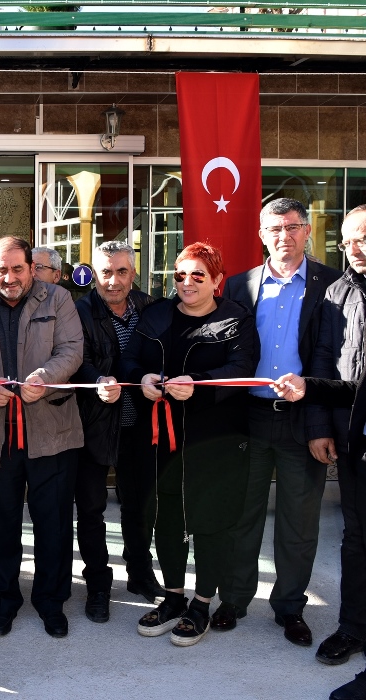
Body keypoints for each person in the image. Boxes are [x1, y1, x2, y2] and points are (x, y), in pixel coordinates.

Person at [121, 242, 259, 648]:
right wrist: (143, 378)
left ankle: (202, 602)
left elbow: (241, 369)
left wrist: (197, 387)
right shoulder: (156, 314)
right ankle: (174, 596)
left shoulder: (236, 319)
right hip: (162, 438)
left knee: (210, 520)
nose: (187, 282)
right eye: (180, 275)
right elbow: (128, 361)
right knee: (167, 517)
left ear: (217, 280)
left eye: (198, 275)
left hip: (215, 438)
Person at [216, 198, 341, 646]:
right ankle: (232, 600)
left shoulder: (332, 284)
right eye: (274, 228)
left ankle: (289, 608)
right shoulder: (238, 287)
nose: (283, 236)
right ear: (261, 235)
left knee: (299, 523)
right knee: (240, 516)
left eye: (292, 227)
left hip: (301, 422)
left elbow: (332, 362)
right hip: (247, 419)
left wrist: (322, 424)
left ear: (307, 231)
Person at [0, 236, 84, 639]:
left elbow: (72, 350)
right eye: (1, 269)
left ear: (31, 268)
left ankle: (50, 600)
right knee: (1, 524)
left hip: (51, 431)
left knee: (52, 523)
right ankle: (4, 598)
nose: (10, 277)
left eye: (17, 268)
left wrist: (45, 377)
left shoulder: (58, 299)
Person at [71, 240, 161, 624]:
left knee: (139, 506)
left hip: (140, 424)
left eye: (121, 271)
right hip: (94, 424)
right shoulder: (79, 309)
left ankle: (140, 574)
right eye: (105, 272)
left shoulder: (151, 308)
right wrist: (97, 379)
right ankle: (98, 586)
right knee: (91, 510)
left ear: (133, 273)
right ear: (94, 273)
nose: (113, 281)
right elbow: (76, 360)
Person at [274, 369, 366, 700]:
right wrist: (308, 387)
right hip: (359, 444)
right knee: (356, 541)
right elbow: (358, 386)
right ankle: (354, 629)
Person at [306, 205, 366, 669]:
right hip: (353, 437)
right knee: (355, 537)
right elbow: (325, 359)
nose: (355, 249)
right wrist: (323, 425)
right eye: (347, 241)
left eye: (363, 238)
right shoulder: (337, 291)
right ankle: (352, 627)